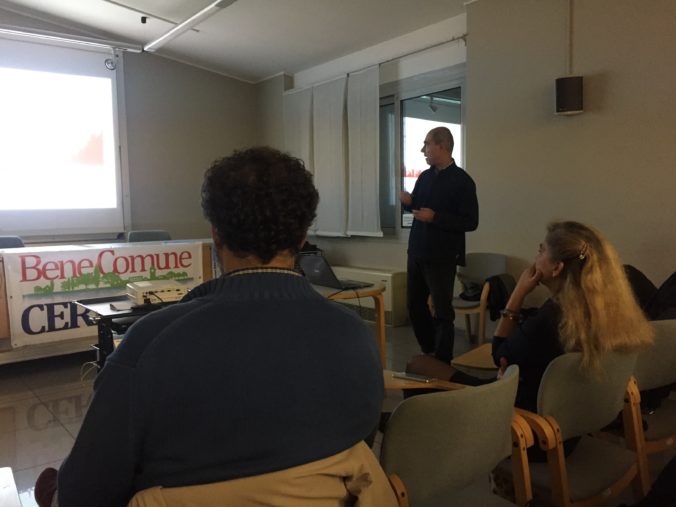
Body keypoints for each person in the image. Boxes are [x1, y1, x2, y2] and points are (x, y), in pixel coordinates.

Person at [35, 147, 392, 506]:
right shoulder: (356, 335)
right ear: (302, 238)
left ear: (216, 236)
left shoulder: (148, 344)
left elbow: (83, 493)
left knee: (52, 486)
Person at [408, 220, 654, 413]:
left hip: (525, 421)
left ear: (557, 267)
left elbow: (499, 354)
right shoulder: (611, 309)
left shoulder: (552, 318)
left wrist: (518, 292)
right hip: (575, 418)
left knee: (418, 364)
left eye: (540, 251)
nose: (536, 258)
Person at [400, 126, 478, 363]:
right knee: (414, 305)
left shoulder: (462, 181)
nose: (423, 149)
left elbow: (471, 222)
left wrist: (436, 218)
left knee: (443, 311)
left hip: (441, 256)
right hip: (417, 252)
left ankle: (442, 360)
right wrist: (407, 203)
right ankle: (429, 349)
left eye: (427, 144)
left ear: (441, 146)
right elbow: (419, 209)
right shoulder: (424, 176)